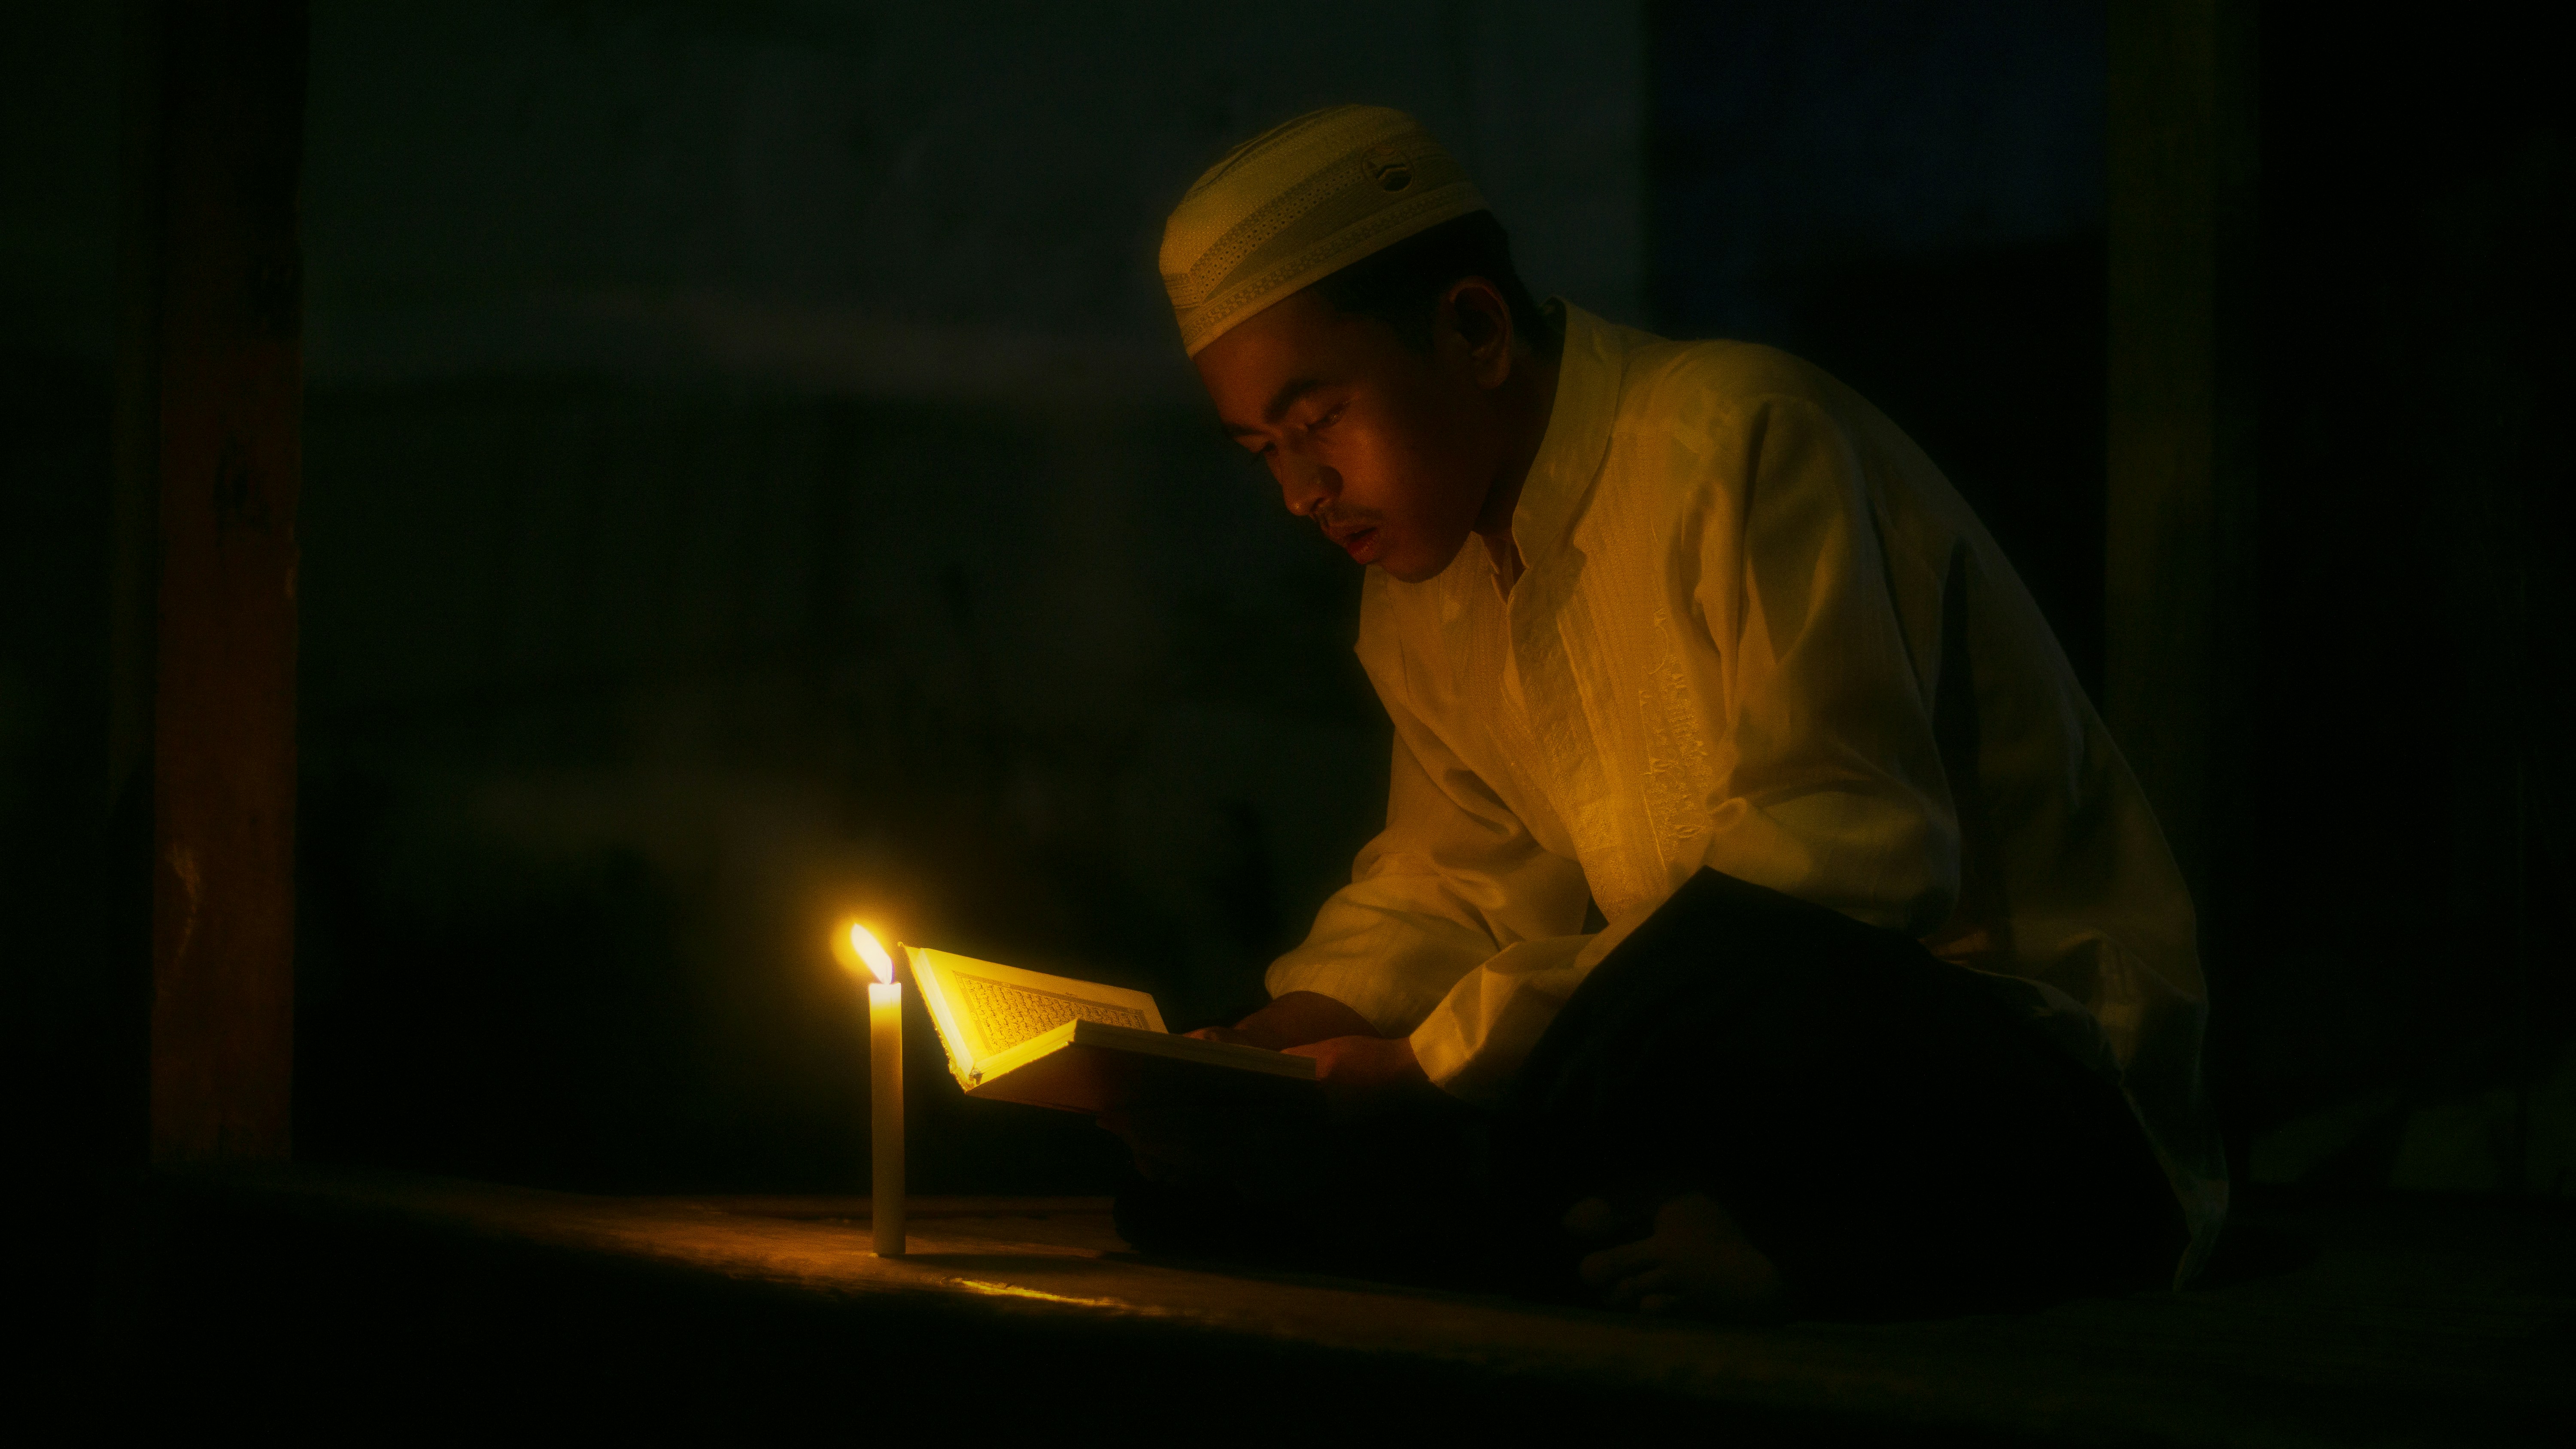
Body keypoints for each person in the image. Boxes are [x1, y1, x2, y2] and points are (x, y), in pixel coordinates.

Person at [1114, 103, 2224, 1320]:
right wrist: (1269, 1050)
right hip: (1716, 1068)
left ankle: (1819, 1236)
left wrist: (1429, 1067)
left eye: (1318, 422)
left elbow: (1848, 873)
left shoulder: (1736, 438)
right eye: (1261, 449)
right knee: (1205, 1193)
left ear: (1476, 330)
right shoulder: (1419, 592)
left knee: (1704, 964)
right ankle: (1733, 1219)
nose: (1300, 492)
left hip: (1999, 1072)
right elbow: (1454, 884)